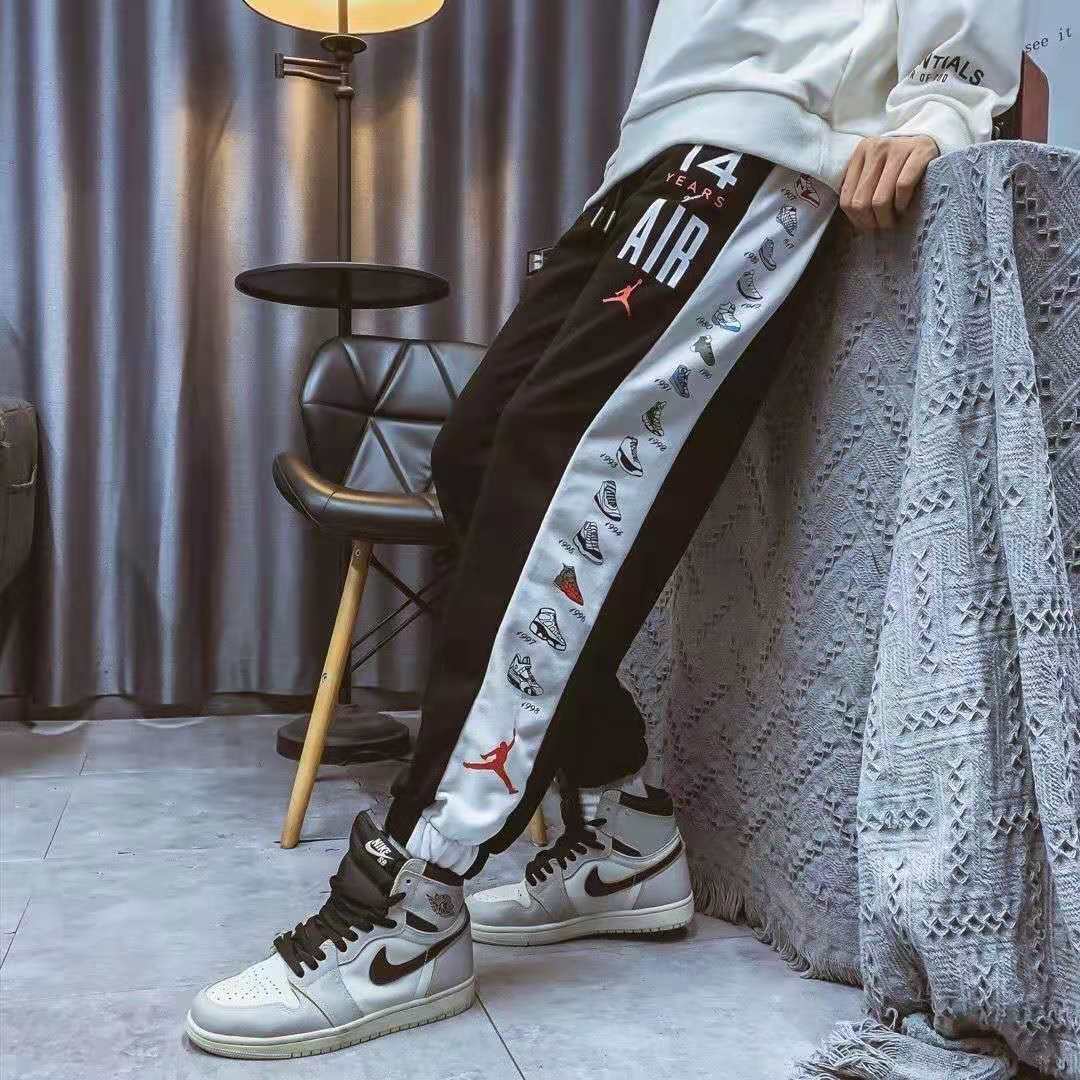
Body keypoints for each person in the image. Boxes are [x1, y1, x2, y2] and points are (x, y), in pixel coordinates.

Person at [185, 0, 1022, 1059]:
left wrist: (945, 95)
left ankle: (410, 894)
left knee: (554, 452)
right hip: (648, 156)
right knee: (474, 453)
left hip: (765, 137)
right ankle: (626, 832)